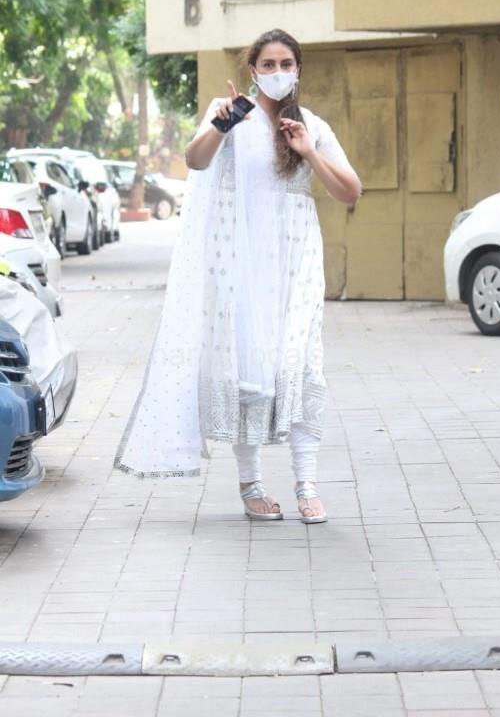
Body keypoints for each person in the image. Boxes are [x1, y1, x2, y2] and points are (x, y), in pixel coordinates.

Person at [114, 28, 362, 524]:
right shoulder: (229, 112)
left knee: (301, 366)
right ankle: (252, 486)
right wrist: (223, 124)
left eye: (285, 64)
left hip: (294, 264)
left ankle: (307, 483)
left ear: (298, 70)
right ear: (253, 71)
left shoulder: (311, 125)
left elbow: (350, 191)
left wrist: (309, 152)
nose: (277, 72)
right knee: (247, 370)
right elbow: (195, 160)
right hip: (239, 264)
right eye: (267, 64)